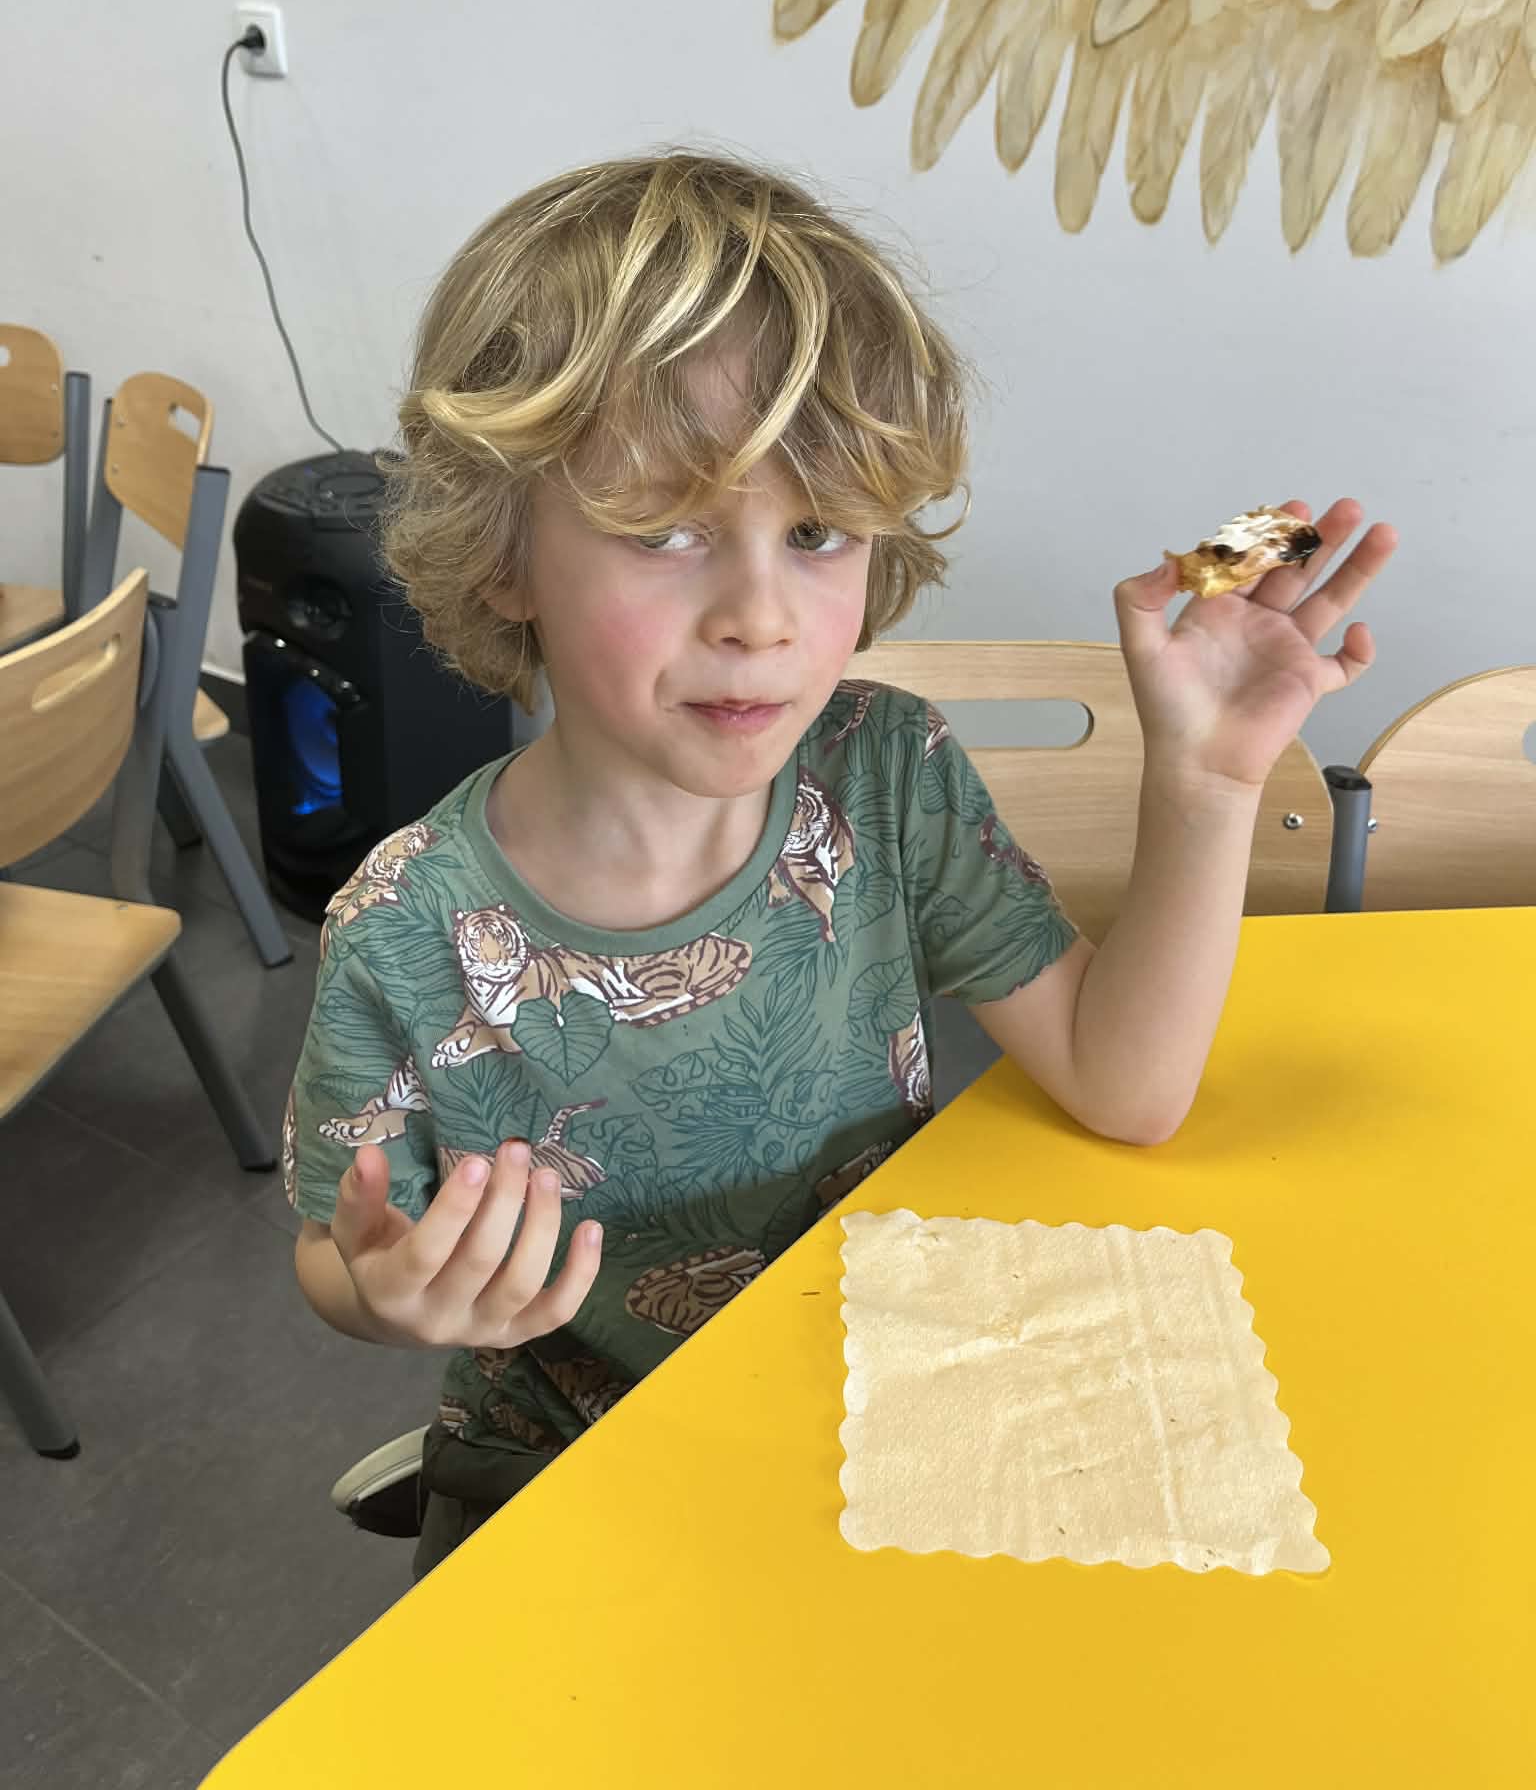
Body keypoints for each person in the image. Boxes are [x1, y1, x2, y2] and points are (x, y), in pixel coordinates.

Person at [286, 149, 1396, 1579]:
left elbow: (1127, 1088)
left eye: (815, 534)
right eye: (665, 530)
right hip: (578, 1472)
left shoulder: (888, 771)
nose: (760, 616)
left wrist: (1208, 777)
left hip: (889, 1416)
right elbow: (336, 1248)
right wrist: (388, 1295)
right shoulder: (401, 925)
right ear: (503, 554)